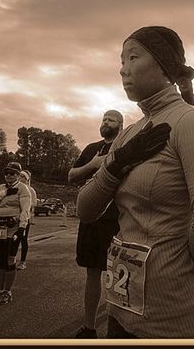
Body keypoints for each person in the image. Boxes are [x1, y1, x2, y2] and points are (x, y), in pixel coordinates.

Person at [77, 26, 194, 338]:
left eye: (133, 57)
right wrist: (117, 163)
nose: (123, 68)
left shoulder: (191, 123)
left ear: (163, 65)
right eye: (121, 60)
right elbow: (85, 208)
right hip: (120, 310)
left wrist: (174, 265)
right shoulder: (130, 134)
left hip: (170, 317)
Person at [68, 110, 123, 338]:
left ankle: (121, 328)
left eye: (110, 119)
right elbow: (72, 175)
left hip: (118, 220)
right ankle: (89, 327)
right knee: (92, 272)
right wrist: (93, 164)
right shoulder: (92, 148)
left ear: (120, 124)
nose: (105, 122)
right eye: (103, 119)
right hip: (91, 219)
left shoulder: (125, 147)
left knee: (120, 274)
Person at [0, 162, 31, 305]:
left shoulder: (23, 189)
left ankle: (7, 291)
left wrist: (22, 227)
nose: (9, 176)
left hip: (12, 228)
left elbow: (25, 209)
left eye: (12, 173)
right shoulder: (1, 188)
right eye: (7, 173)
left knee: (9, 259)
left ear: (18, 174)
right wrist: (4, 193)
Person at [17, 170, 37, 270]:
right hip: (13, 218)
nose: (19, 178)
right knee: (12, 239)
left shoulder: (31, 190)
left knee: (23, 239)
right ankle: (10, 259)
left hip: (25, 219)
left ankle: (22, 261)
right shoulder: (15, 187)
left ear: (26, 179)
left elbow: (33, 204)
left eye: (22, 176)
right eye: (19, 175)